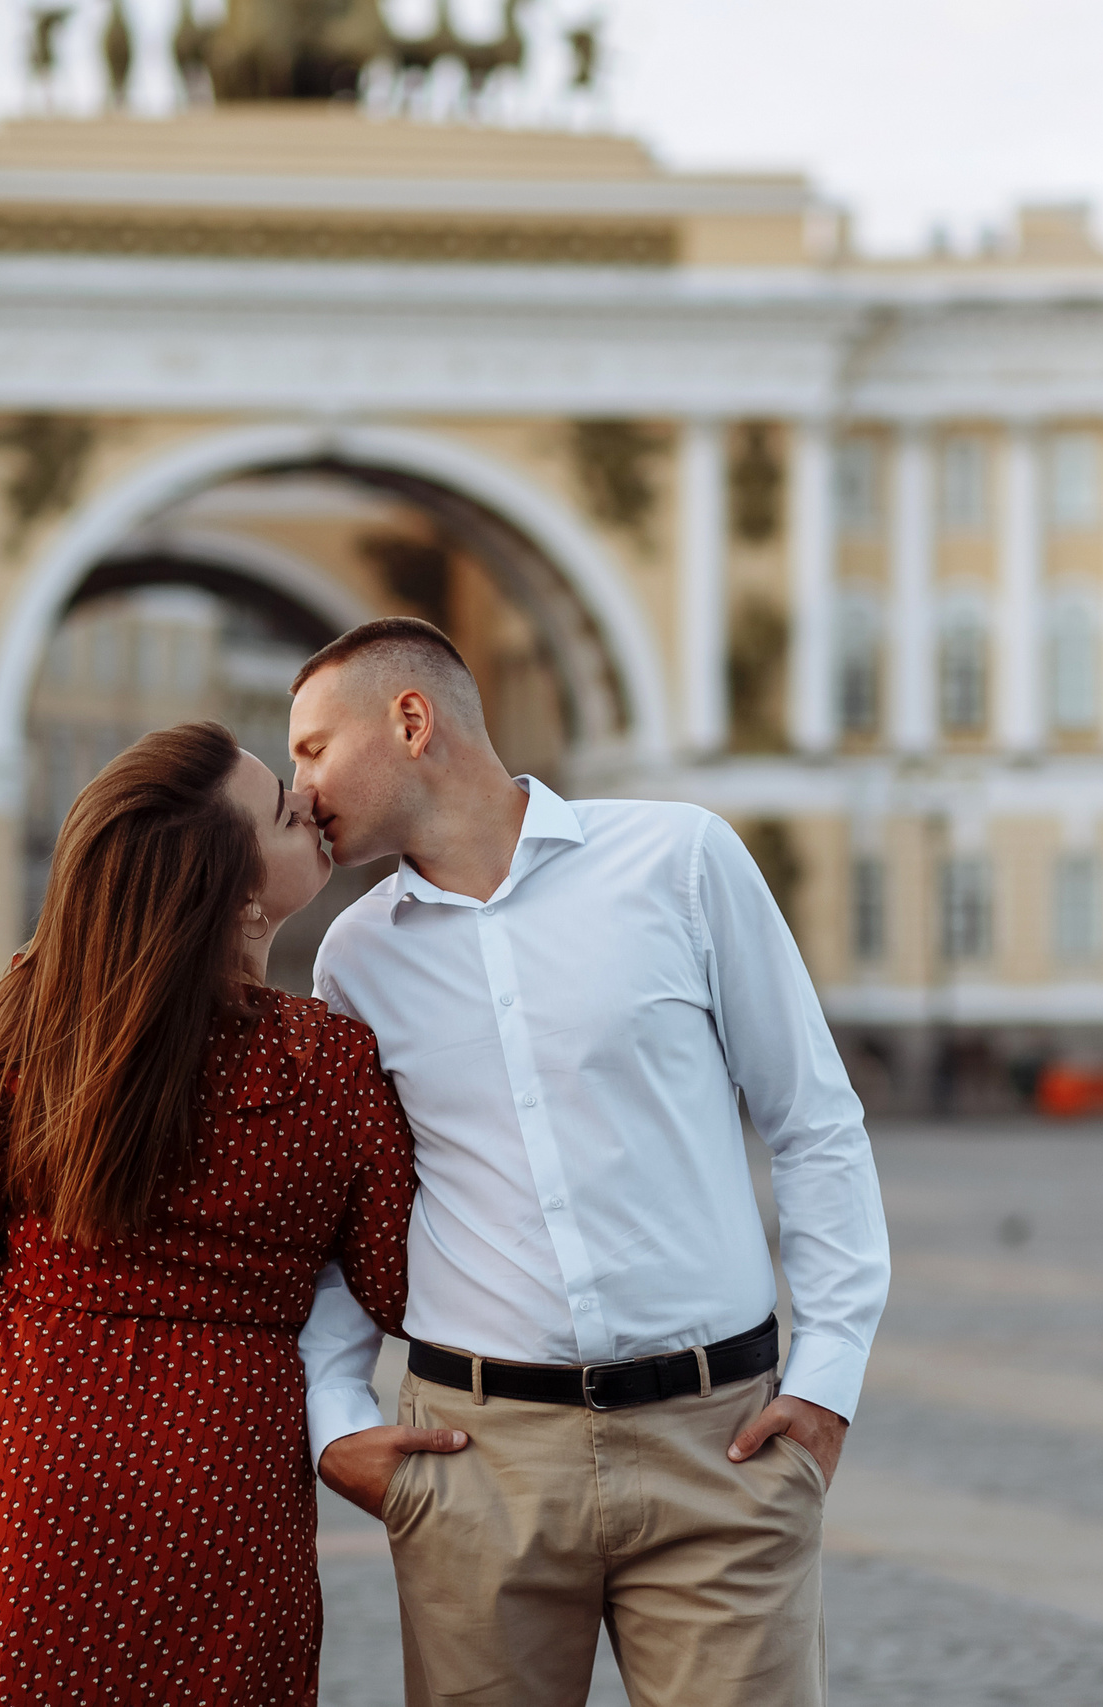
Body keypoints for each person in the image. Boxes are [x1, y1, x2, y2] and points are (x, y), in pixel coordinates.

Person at [288, 619, 890, 1707]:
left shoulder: (681, 860)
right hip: (477, 1466)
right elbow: (354, 1213)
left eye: (312, 749)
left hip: (724, 1452)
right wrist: (335, 1421)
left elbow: (813, 1120)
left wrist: (828, 1379)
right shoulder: (355, 958)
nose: (300, 787)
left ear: (409, 721)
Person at [0, 721, 453, 1706]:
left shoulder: (33, 1010)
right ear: (227, 886)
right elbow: (401, 1287)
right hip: (222, 1463)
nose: (309, 803)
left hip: (21, 1441)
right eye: (280, 808)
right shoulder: (331, 1062)